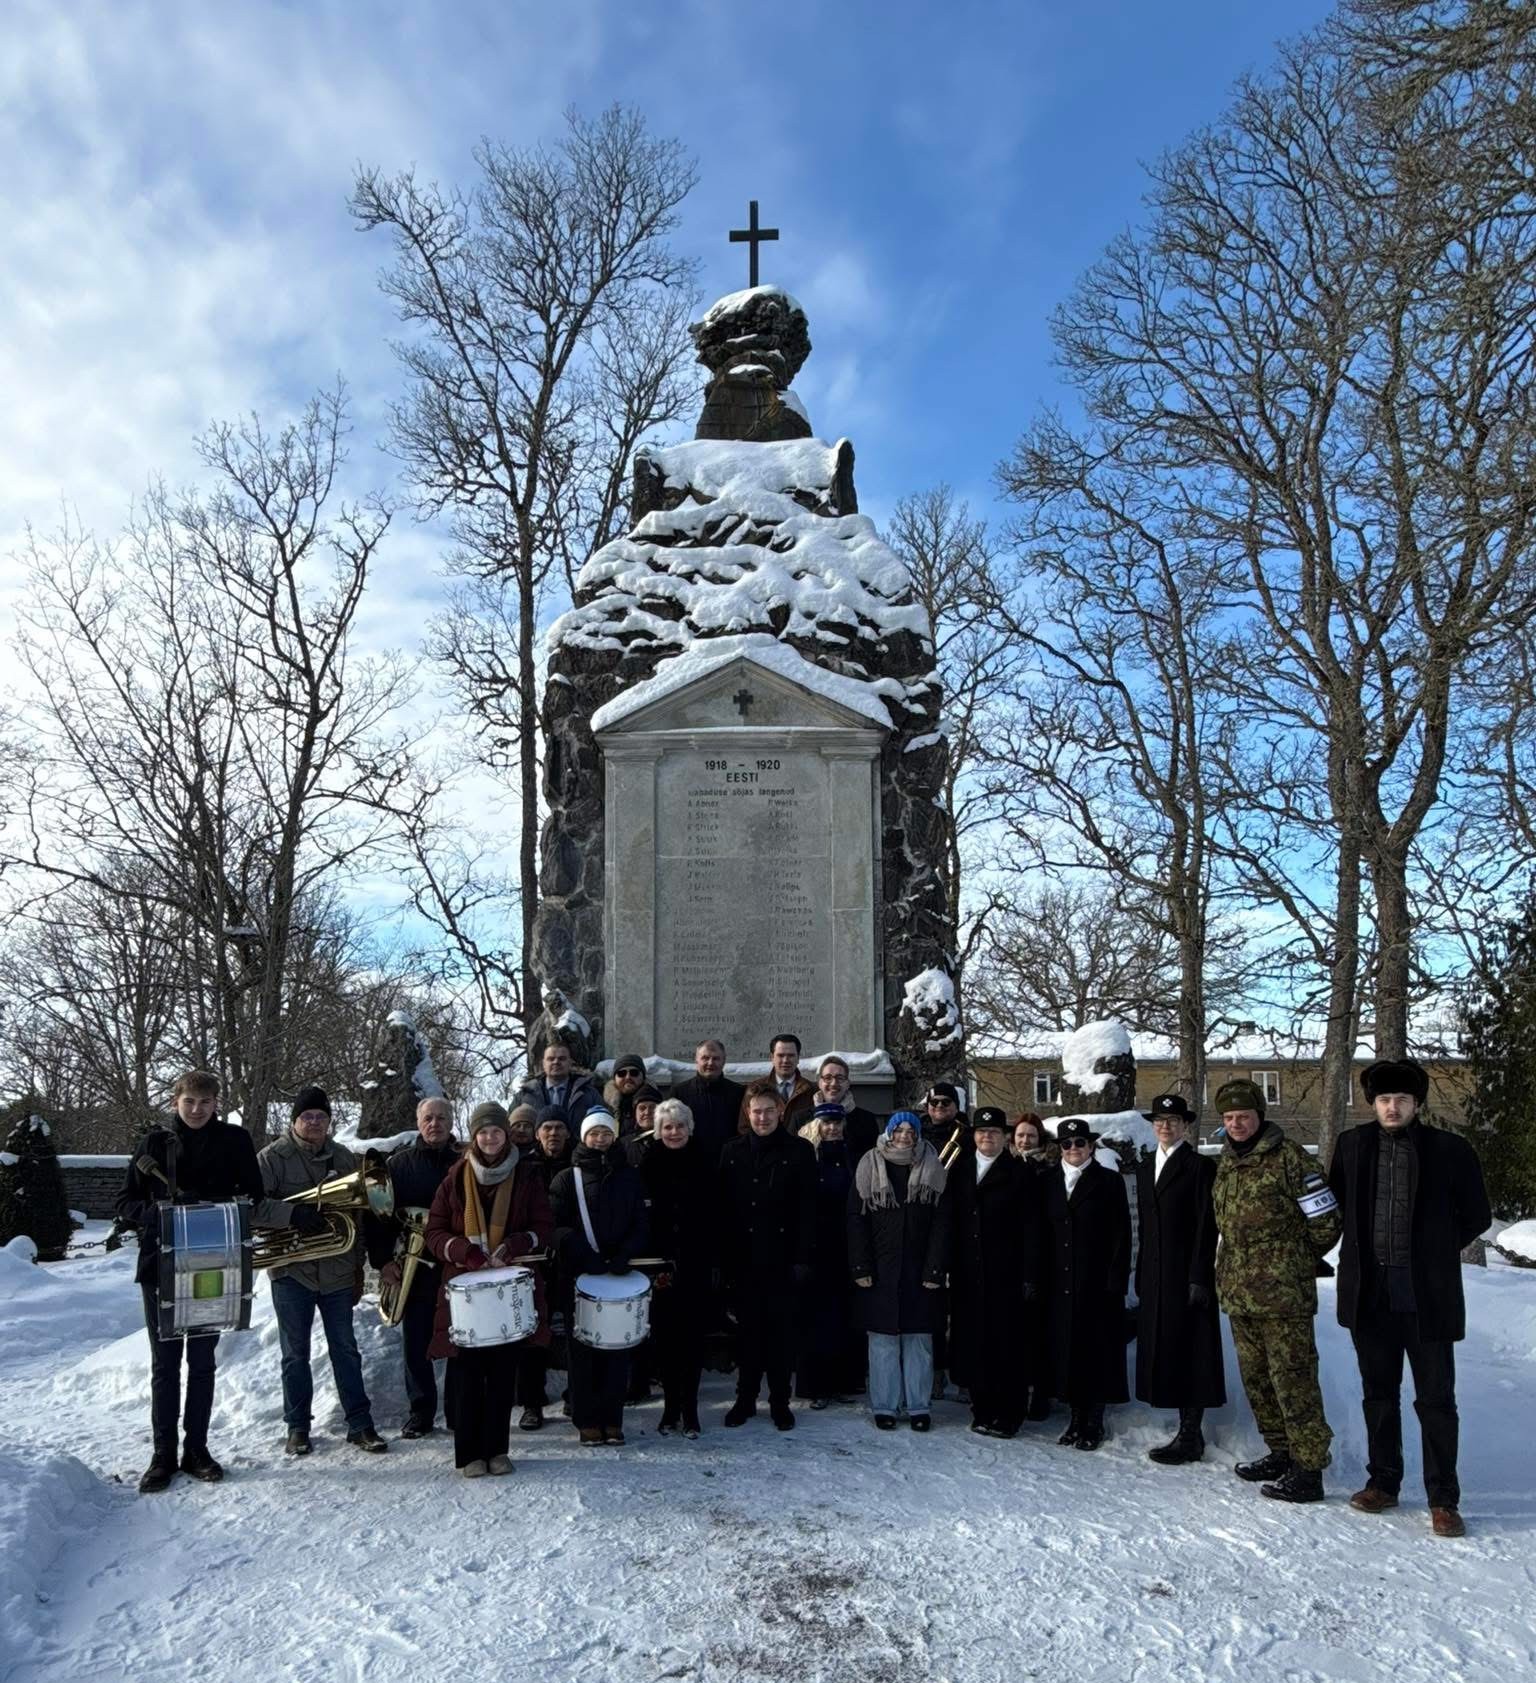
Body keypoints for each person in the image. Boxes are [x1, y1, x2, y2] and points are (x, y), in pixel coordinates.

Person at [1328, 1058, 1492, 1538]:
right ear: (1373, 1104)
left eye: (1401, 1099)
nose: (1392, 1107)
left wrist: (1436, 1249)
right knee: (1378, 1395)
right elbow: (1333, 1206)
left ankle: (1443, 1498)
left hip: (1427, 1295)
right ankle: (1383, 1482)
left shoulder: (1450, 1150)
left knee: (1436, 1400)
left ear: (1417, 1103)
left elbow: (1477, 1215)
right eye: (1383, 1100)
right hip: (1371, 1294)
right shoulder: (1352, 1147)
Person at [116, 1069, 273, 1494]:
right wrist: (164, 1212)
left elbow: (254, 1197)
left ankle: (197, 1451)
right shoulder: (153, 1144)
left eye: (205, 1102)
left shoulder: (236, 1141)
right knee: (165, 1366)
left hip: (213, 1267)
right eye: (189, 1102)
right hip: (161, 1268)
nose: (197, 1110)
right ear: (175, 1102)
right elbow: (126, 1202)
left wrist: (221, 1205)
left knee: (202, 1363)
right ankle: (162, 1456)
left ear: (216, 1103)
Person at [1212, 1077, 1342, 1503]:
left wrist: (1290, 1262)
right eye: (1229, 1118)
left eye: (1243, 1117)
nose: (1236, 1124)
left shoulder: (1292, 1160)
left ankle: (1309, 1469)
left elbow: (1326, 1223)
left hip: (1283, 1297)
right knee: (1258, 1380)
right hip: (1239, 1293)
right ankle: (1281, 1452)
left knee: (1294, 1381)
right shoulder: (1227, 1162)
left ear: (1259, 1117)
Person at [423, 1103, 553, 1477]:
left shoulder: (527, 1175)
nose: (490, 1137)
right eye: (483, 1132)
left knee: (501, 1374)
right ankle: (469, 1454)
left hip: (507, 1286)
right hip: (464, 1291)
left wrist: (513, 1245)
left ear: (506, 1134)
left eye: (496, 1131)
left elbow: (543, 1226)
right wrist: (466, 1252)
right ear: (474, 1136)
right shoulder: (455, 1177)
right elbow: (433, 1232)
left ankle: (497, 1450)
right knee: (466, 1374)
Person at [258, 1085, 388, 1458]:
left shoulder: (345, 1158)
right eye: (307, 1116)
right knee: (294, 1354)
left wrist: (358, 1266)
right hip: (292, 1272)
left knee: (346, 1350)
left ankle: (360, 1425)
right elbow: (252, 1207)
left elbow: (357, 1217)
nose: (314, 1123)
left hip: (336, 1271)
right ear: (294, 1120)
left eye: (321, 1117)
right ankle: (297, 1427)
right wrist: (292, 1213)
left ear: (330, 1121)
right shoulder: (272, 1158)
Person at [717, 1081, 817, 1429]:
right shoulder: (731, 1151)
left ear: (780, 1112)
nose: (762, 1117)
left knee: (780, 1337)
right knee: (747, 1337)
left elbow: (808, 1209)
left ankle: (779, 1402)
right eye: (756, 1111)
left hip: (783, 1258)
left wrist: (802, 1259)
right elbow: (724, 1211)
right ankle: (745, 1400)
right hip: (743, 1260)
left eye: (769, 1110)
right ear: (748, 1113)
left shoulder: (800, 1151)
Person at [549, 1107, 650, 1445]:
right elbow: (556, 1225)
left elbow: (640, 1220)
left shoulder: (629, 1176)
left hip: (618, 1274)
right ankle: (586, 1418)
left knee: (617, 1351)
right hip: (581, 1275)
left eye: (606, 1133)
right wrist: (582, 1252)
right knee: (583, 1352)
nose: (601, 1139)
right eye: (594, 1133)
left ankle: (612, 1418)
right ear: (584, 1136)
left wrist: (626, 1253)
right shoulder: (567, 1178)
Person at [1134, 1094, 1225, 1464]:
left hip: (1188, 1273)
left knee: (1193, 1350)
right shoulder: (1145, 1167)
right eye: (1159, 1120)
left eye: (1173, 1120)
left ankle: (1192, 1433)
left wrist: (1200, 1276)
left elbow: (1208, 1225)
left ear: (1185, 1125)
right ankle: (1180, 1425)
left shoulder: (1199, 1166)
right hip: (1155, 1272)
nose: (1165, 1126)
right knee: (1167, 1346)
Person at [848, 1111, 951, 1431]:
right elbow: (855, 1220)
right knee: (882, 1342)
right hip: (880, 1268)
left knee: (918, 1340)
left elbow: (942, 1224)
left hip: (920, 1269)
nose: (905, 1135)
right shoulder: (869, 1164)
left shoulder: (933, 1166)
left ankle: (919, 1406)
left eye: (911, 1130)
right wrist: (860, 1265)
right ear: (889, 1133)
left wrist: (936, 1268)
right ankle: (885, 1406)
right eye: (899, 1129)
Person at [946, 1106, 1045, 1439]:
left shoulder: (1019, 1174)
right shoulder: (959, 1170)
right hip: (967, 1273)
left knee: (1006, 1347)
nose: (986, 1137)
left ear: (1005, 1137)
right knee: (973, 1342)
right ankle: (982, 1407)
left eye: (993, 1132)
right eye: (980, 1132)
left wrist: (1030, 1275)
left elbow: (1033, 1228)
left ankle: (1009, 1412)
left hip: (1006, 1274)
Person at [368, 1095, 462, 1439]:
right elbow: (379, 1218)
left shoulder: (465, 1163)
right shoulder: (399, 1165)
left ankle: (458, 1411)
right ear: (418, 1122)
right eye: (428, 1118)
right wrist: (382, 1262)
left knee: (460, 1341)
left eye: (441, 1118)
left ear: (451, 1123)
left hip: (455, 1266)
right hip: (415, 1268)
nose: (434, 1124)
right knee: (416, 1343)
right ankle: (421, 1412)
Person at [1044, 1118, 1131, 1451]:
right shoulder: (1049, 1181)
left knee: (1095, 1352)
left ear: (1091, 1146)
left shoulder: (1108, 1182)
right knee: (1069, 1351)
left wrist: (1115, 1279)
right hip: (1060, 1281)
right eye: (1066, 1144)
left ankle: (1093, 1420)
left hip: (1097, 1282)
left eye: (1080, 1143)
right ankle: (1075, 1418)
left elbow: (1122, 1234)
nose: (1073, 1149)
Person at [639, 1099, 712, 1436]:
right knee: (666, 1339)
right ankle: (670, 1408)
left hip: (697, 1261)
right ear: (658, 1130)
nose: (673, 1132)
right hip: (660, 1264)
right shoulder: (648, 1161)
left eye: (679, 1126)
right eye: (667, 1127)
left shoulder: (706, 1158)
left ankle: (691, 1409)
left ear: (689, 1128)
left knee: (693, 1339)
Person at [795, 1103, 865, 1408]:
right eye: (827, 1123)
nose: (833, 1128)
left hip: (847, 1247)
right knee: (817, 1321)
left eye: (837, 1123)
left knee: (845, 1318)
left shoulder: (853, 1157)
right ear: (817, 1126)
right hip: (816, 1248)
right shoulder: (807, 1157)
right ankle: (817, 1387)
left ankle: (843, 1382)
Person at [673, 1039, 747, 1166]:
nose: (710, 1063)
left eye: (716, 1058)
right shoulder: (679, 1093)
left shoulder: (738, 1092)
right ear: (696, 1060)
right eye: (705, 1058)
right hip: (691, 1167)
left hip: (729, 1166)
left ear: (724, 1061)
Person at [741, 1034, 815, 1131]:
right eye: (780, 1055)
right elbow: (744, 1127)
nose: (785, 1060)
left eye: (791, 1055)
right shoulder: (755, 1088)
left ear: (798, 1058)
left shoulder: (811, 1090)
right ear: (772, 1057)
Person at [813, 1055, 881, 1161]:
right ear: (819, 1083)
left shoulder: (867, 1120)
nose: (834, 1083)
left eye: (840, 1078)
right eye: (827, 1078)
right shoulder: (800, 1119)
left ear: (848, 1083)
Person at [515, 1042, 599, 1124]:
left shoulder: (588, 1093)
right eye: (551, 1059)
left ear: (570, 1063)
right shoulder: (525, 1094)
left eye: (562, 1059)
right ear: (543, 1064)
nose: (556, 1062)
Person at [603, 1054, 650, 1136]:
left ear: (643, 1077)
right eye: (621, 1073)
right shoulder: (604, 1106)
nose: (628, 1077)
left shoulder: (656, 1104)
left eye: (634, 1073)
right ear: (614, 1079)